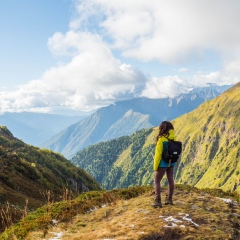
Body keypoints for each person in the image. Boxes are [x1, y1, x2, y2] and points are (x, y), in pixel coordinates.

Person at [152, 121, 176, 208]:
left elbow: (158, 155)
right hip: (172, 161)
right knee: (170, 179)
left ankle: (158, 200)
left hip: (163, 163)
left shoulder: (161, 139)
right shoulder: (174, 137)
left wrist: (155, 166)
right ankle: (169, 199)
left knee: (157, 180)